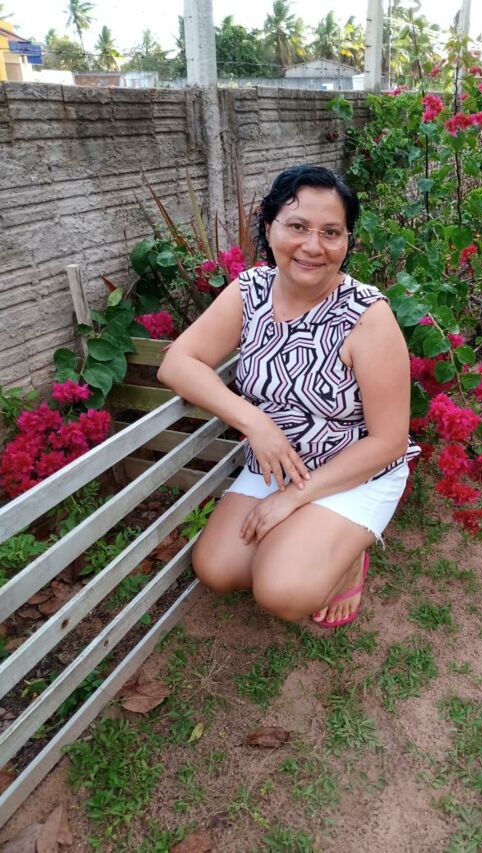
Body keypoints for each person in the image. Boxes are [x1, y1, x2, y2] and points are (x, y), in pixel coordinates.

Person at [158, 165, 419, 628]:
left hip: (354, 471)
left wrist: (295, 499)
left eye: (331, 232)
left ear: (347, 241)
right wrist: (256, 423)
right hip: (277, 461)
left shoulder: (368, 316)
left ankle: (347, 556)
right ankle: (313, 540)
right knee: (217, 569)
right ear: (269, 228)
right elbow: (177, 363)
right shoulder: (251, 291)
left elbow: (389, 442)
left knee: (281, 590)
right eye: (297, 226)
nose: (313, 246)